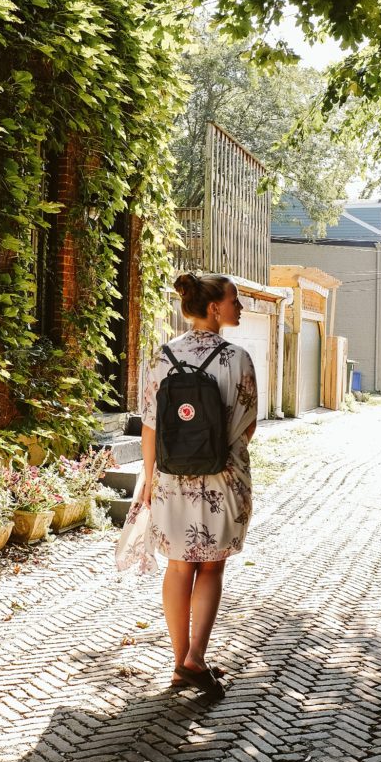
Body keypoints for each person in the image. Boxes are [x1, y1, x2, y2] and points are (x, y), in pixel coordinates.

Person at [115, 273, 258, 698]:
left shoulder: (163, 356)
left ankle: (180, 664)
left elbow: (150, 426)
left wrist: (149, 476)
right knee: (211, 566)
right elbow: (247, 428)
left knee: (180, 566)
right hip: (223, 479)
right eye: (235, 300)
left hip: (170, 481)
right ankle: (197, 656)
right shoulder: (239, 359)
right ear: (214, 308)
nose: (240, 306)